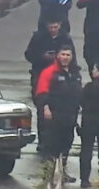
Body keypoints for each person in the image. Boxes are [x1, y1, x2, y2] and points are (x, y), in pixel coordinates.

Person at [24, 18, 78, 152]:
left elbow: (73, 57)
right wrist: (42, 57)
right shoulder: (38, 37)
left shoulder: (65, 38)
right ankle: (43, 141)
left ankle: (61, 144)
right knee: (42, 110)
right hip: (40, 71)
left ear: (59, 25)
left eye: (55, 27)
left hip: (62, 74)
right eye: (51, 27)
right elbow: (29, 54)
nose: (53, 29)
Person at [34, 44, 83, 183]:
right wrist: (45, 108)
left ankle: (62, 172)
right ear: (57, 55)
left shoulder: (75, 73)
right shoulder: (49, 72)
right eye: (63, 54)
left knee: (66, 144)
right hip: (54, 114)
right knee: (52, 145)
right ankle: (49, 174)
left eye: (68, 55)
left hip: (70, 114)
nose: (65, 58)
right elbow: (41, 93)